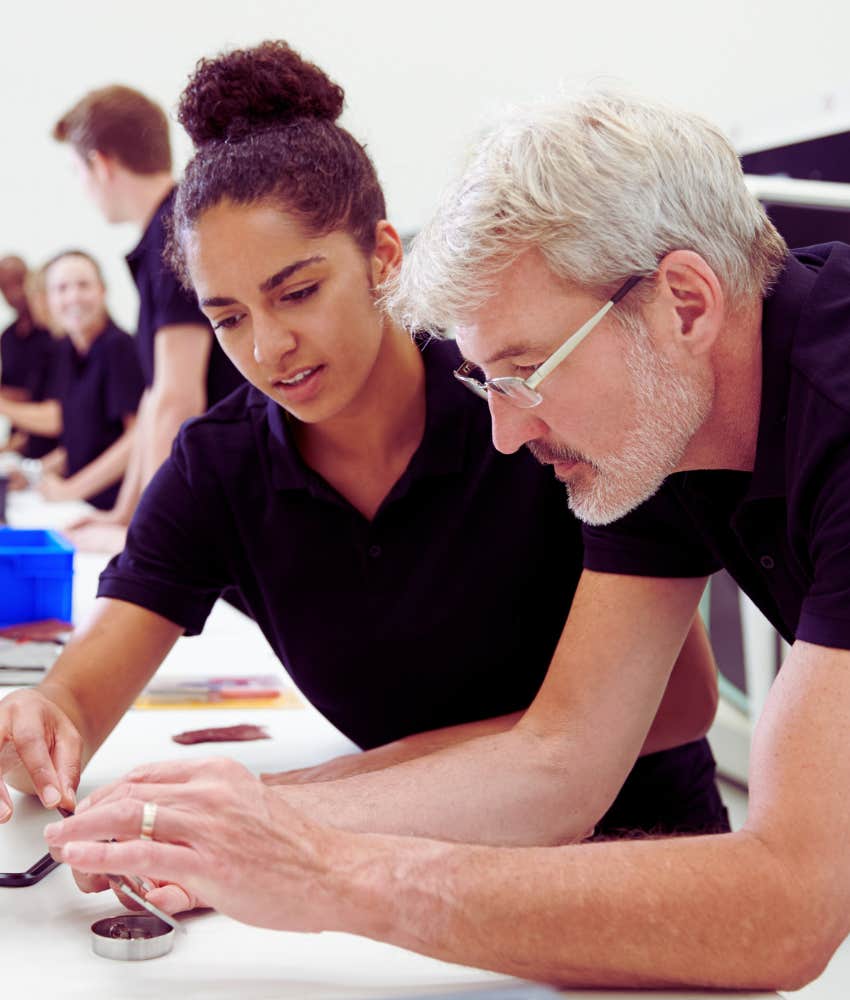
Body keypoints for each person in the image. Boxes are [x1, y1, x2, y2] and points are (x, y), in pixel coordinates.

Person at [45, 88, 850, 992]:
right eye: (487, 380)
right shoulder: (656, 424)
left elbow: (792, 903)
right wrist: (258, 822)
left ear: (685, 304)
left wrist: (329, 871)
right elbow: (563, 757)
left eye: (524, 375)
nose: (506, 436)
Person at [2, 45, 725, 899]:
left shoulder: (527, 404)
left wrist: (293, 809)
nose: (268, 349)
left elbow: (678, 705)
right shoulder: (218, 467)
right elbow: (80, 694)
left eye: (298, 292)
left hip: (632, 870)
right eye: (227, 317)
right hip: (391, 878)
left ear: (384, 256)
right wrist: (40, 723)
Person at [52, 85, 243, 547]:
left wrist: (148, 536)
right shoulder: (165, 230)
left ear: (101, 164)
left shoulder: (176, 233)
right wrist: (124, 516)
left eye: (77, 171)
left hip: (230, 489)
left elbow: (178, 399)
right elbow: (155, 398)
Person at [0, 251, 144, 509]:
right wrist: (34, 472)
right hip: (81, 502)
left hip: (115, 505)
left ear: (102, 290)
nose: (73, 296)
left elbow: (137, 438)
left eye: (83, 285)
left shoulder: (118, 347)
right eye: (62, 288)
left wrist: (71, 489)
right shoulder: (68, 351)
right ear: (49, 300)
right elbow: (82, 441)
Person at [0, 255, 58, 458]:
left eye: (20, 282)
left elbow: (57, 416)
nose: (15, 293)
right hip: (25, 442)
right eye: (5, 286)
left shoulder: (56, 340)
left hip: (48, 442)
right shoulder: (7, 337)